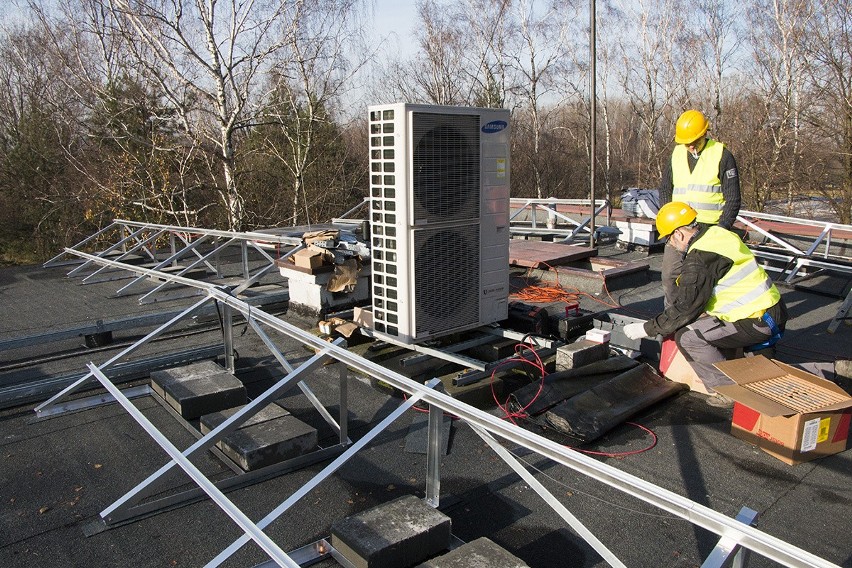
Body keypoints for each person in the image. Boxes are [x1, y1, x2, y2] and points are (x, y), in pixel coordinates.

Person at [623, 202, 787, 407]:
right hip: (772, 311)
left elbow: (685, 309)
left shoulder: (698, 258)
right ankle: (831, 370)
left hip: (756, 321)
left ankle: (728, 391)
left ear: (679, 234)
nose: (671, 245)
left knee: (688, 337)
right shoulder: (718, 234)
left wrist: (645, 328)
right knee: (766, 378)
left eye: (668, 239)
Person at [659, 109, 741, 306]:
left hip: (709, 230)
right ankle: (672, 319)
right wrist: (669, 224)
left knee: (706, 281)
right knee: (670, 276)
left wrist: (721, 230)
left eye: (694, 140)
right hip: (679, 230)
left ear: (705, 133)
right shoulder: (677, 154)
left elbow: (733, 198)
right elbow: (664, 189)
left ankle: (705, 323)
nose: (690, 146)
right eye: (686, 142)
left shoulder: (722, 155)